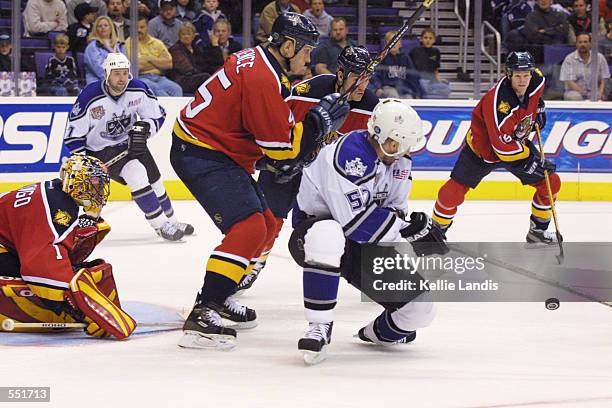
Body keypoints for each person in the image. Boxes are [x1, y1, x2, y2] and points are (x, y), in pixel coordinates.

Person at [171, 12, 349, 350]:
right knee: (250, 228)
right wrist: (317, 124)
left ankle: (221, 295)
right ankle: (204, 311)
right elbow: (281, 151)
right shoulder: (264, 79)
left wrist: (306, 132)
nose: (309, 58)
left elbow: (272, 139)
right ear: (288, 45)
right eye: (306, 50)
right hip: (202, 152)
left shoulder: (258, 61)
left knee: (266, 224)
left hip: (212, 148)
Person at [290, 99, 446, 364]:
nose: (401, 151)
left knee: (421, 310)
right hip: (312, 234)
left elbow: (394, 212)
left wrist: (414, 230)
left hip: (361, 243)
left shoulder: (400, 164)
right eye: (397, 144)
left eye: (405, 146)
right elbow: (355, 223)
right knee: (328, 233)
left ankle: (375, 334)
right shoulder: (350, 154)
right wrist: (406, 230)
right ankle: (318, 326)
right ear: (381, 136)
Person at [236, 45, 379, 295]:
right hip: (292, 165)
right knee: (268, 219)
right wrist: (268, 158)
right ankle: (252, 264)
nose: (362, 86)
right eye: (358, 78)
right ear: (341, 73)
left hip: (329, 180)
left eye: (367, 79)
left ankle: (366, 272)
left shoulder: (371, 107)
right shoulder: (306, 92)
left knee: (350, 225)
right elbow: (275, 125)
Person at [0, 155, 136, 339]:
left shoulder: (55, 193)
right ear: (74, 181)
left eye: (99, 183)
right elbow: (40, 265)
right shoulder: (56, 208)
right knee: (67, 277)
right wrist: (77, 310)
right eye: (93, 182)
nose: (98, 189)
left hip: (6, 246)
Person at [432, 52, 561, 244]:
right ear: (508, 74)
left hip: (515, 143)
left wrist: (539, 107)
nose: (523, 80)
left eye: (526, 74)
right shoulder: (499, 105)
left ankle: (538, 232)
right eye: (518, 75)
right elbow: (503, 149)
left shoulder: (536, 79)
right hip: (483, 150)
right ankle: (435, 231)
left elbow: (537, 94)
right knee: (453, 191)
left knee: (551, 183)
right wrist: (531, 161)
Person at [64, 53, 194, 241]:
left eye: (125, 73)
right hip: (102, 151)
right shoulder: (89, 97)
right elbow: (73, 136)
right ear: (107, 74)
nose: (122, 78)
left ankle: (172, 221)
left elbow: (157, 115)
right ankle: (160, 226)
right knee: (136, 173)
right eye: (117, 73)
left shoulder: (138, 89)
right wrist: (86, 162)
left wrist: (145, 129)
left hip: (133, 143)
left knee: (155, 181)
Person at [125, 15, 183, 96]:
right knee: (155, 88)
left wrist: (149, 59)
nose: (139, 30)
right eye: (136, 28)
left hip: (159, 77)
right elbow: (137, 66)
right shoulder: (130, 42)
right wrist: (159, 63)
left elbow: (169, 64)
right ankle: (166, 108)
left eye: (142, 27)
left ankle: (177, 109)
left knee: (176, 89)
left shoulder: (157, 43)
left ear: (147, 27)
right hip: (141, 77)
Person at [370, 30, 423, 99]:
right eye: (391, 41)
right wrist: (378, 87)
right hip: (388, 87)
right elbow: (375, 75)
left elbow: (412, 77)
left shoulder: (405, 58)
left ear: (400, 44)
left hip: (403, 88)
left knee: (408, 97)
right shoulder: (382, 58)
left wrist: (417, 92)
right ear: (386, 44)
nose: (393, 43)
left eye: (396, 41)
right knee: (393, 95)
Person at [560, 32, 610, 100]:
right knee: (575, 97)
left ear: (590, 44)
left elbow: (604, 79)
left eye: (585, 42)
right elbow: (569, 82)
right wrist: (586, 94)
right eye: (580, 42)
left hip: (595, 92)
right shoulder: (569, 59)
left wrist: (600, 93)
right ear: (576, 44)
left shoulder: (600, 58)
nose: (582, 44)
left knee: (601, 98)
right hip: (574, 92)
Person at [169, 22, 212, 94]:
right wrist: (200, 72)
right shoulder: (175, 49)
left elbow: (204, 65)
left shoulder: (197, 48)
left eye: (188, 34)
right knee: (205, 77)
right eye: (183, 34)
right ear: (179, 36)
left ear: (193, 36)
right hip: (181, 80)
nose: (186, 36)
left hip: (194, 77)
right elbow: (185, 68)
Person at [409, 28, 452, 99]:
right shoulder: (415, 51)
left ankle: (427, 96)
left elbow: (436, 69)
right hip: (419, 80)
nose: (428, 40)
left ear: (434, 40)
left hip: (432, 81)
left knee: (447, 89)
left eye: (430, 38)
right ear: (421, 39)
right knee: (424, 86)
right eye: (425, 38)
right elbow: (410, 68)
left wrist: (439, 79)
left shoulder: (436, 52)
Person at [84, 16, 127, 84]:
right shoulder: (92, 46)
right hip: (98, 81)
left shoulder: (119, 45)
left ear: (111, 28)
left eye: (106, 25)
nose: (103, 28)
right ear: (96, 29)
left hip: (119, 81)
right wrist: (113, 80)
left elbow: (125, 65)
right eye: (99, 26)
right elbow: (98, 68)